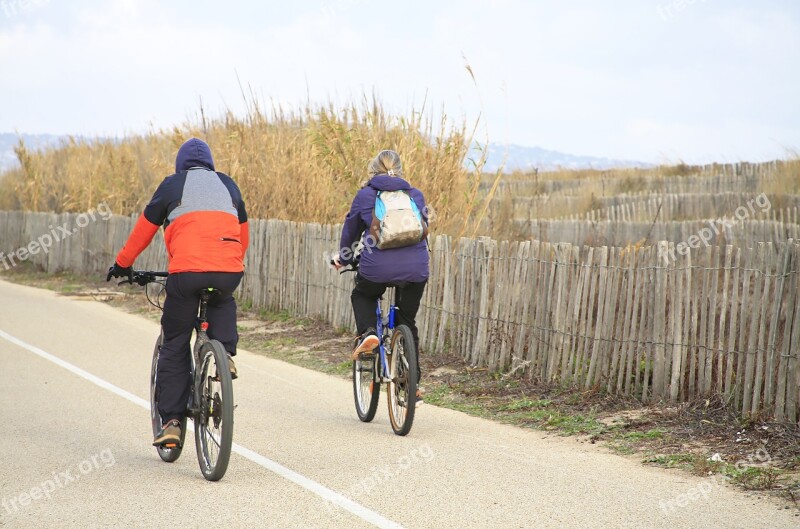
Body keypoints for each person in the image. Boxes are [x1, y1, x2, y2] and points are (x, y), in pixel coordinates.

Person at [107, 138, 248, 447]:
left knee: (174, 342)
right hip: (228, 269)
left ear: (180, 165)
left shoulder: (172, 185)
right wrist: (227, 262)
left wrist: (122, 264)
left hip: (185, 274)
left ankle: (171, 423)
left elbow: (143, 230)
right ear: (210, 163)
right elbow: (242, 233)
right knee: (223, 299)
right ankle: (224, 354)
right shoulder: (228, 185)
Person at [334, 150, 429, 396]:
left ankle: (368, 334)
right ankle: (411, 386)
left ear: (373, 170)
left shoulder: (366, 195)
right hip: (416, 268)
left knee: (362, 295)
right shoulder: (415, 195)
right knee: (407, 322)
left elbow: (351, 231)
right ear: (400, 169)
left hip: (377, 268)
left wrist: (343, 258)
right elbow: (424, 227)